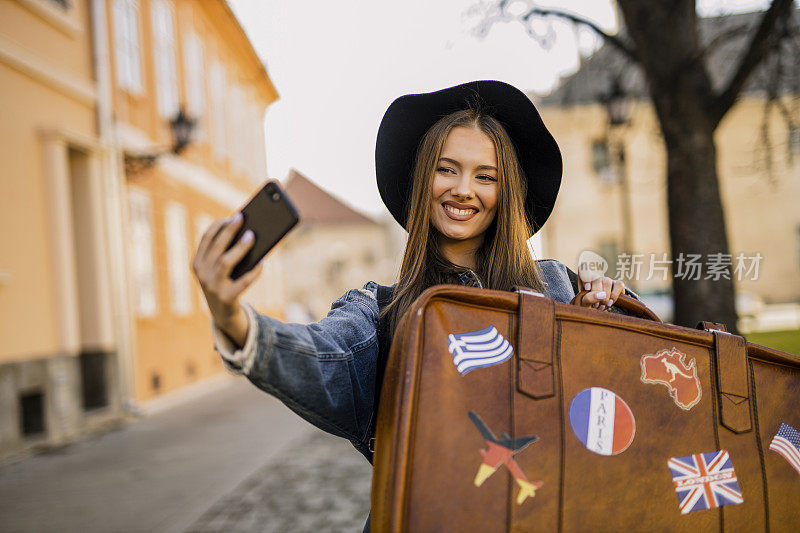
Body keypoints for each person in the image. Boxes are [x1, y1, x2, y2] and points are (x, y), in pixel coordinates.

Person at [191, 80, 631, 529]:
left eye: (486, 176)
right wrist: (232, 317)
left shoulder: (556, 286)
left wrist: (606, 320)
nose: (463, 189)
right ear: (424, 179)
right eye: (447, 169)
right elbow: (325, 357)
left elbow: (624, 406)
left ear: (507, 191)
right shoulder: (380, 313)